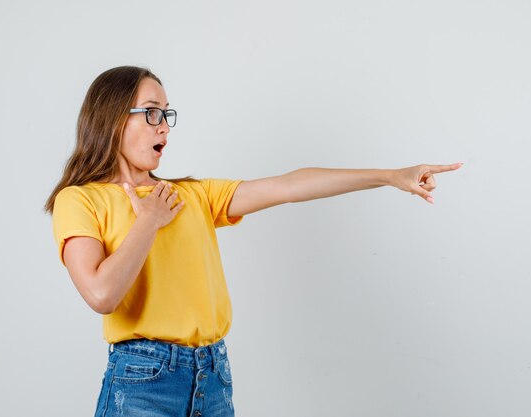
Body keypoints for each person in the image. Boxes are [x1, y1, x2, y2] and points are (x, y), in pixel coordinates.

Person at [44, 65, 462, 417]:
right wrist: (148, 222)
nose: (164, 127)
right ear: (114, 118)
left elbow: (290, 185)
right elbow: (101, 295)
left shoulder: (192, 195)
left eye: (167, 114)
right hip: (142, 381)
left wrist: (391, 176)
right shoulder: (80, 199)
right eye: (152, 113)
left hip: (213, 375)